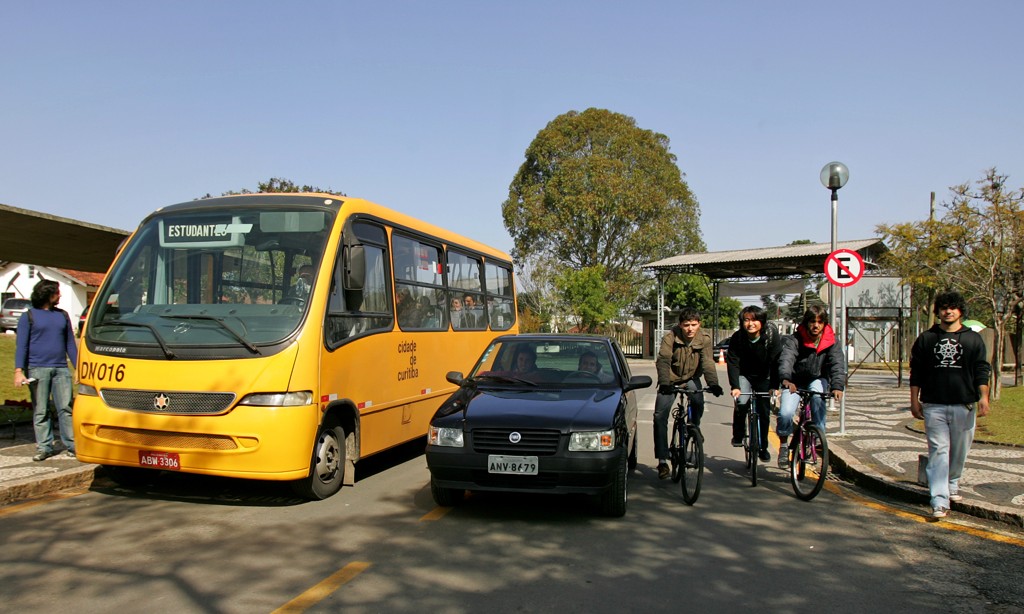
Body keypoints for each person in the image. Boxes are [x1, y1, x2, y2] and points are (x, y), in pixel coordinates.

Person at [909, 290, 991, 519]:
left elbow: (981, 370)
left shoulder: (973, 339)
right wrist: (914, 400)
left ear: (960, 311)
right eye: (944, 307)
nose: (948, 311)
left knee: (960, 449)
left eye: (952, 307)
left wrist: (983, 397)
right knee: (938, 450)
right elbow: (916, 372)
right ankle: (939, 499)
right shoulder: (926, 339)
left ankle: (953, 481)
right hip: (934, 404)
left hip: (964, 404)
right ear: (938, 311)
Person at [654, 308, 723, 479]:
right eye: (686, 325)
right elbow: (663, 360)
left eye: (694, 325)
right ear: (680, 325)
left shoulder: (704, 339)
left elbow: (707, 362)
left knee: (698, 401)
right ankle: (662, 461)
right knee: (659, 416)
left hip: (691, 377)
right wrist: (664, 383)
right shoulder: (670, 337)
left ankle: (694, 428)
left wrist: (713, 384)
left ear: (699, 324)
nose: (690, 328)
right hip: (670, 379)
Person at [14, 280, 78, 461]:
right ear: (48, 295)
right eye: (57, 292)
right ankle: (44, 447)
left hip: (61, 370)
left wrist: (79, 368)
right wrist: (18, 371)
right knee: (41, 410)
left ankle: (72, 445)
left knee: (65, 408)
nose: (60, 295)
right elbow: (21, 347)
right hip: (37, 369)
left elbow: (70, 345)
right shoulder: (28, 317)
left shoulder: (63, 316)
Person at [777, 305, 846, 466]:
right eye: (812, 321)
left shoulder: (832, 341)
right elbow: (786, 359)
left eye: (820, 322)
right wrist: (786, 379)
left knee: (817, 395)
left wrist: (837, 386)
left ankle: (818, 434)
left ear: (825, 324)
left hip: (817, 378)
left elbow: (837, 364)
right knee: (786, 412)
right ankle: (783, 445)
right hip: (794, 381)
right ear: (806, 322)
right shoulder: (795, 339)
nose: (816, 325)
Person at [726, 305, 782, 463]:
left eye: (755, 320)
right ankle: (738, 434)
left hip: (764, 376)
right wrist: (735, 387)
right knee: (741, 402)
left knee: (764, 411)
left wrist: (774, 387)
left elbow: (777, 362)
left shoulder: (771, 336)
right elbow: (733, 363)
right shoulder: (738, 338)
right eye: (746, 320)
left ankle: (763, 447)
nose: (751, 324)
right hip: (744, 375)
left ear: (762, 322)